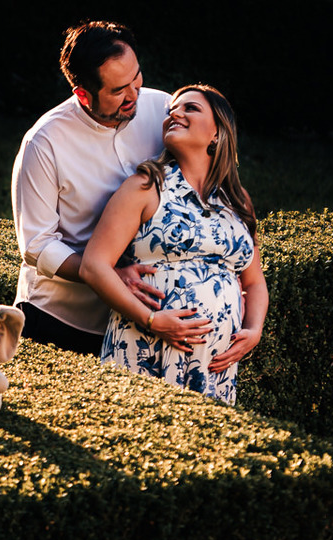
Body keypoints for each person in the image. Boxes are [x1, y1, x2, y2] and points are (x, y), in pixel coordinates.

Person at [79, 84, 267, 404]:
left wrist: (254, 330)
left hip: (214, 365)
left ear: (217, 133)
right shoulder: (145, 186)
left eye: (190, 108)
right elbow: (93, 266)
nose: (174, 114)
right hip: (147, 347)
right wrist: (152, 321)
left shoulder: (237, 200)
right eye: (171, 111)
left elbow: (254, 282)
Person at [11, 21, 172, 356]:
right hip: (60, 319)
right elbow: (38, 245)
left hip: (139, 321)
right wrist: (107, 274)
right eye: (118, 91)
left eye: (137, 78)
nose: (134, 95)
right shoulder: (44, 142)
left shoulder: (163, 110)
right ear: (82, 94)